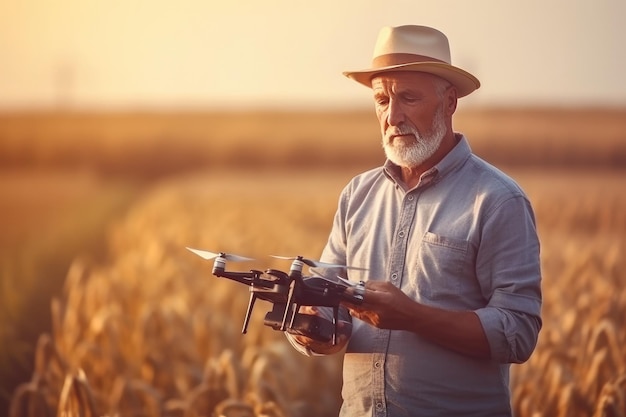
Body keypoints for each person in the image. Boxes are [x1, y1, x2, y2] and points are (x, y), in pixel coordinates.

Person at [285, 25, 542, 417]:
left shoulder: (497, 200)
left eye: (408, 98)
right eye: (382, 99)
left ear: (449, 102)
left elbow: (518, 333)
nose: (392, 115)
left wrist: (412, 317)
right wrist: (312, 326)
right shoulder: (357, 195)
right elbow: (327, 300)